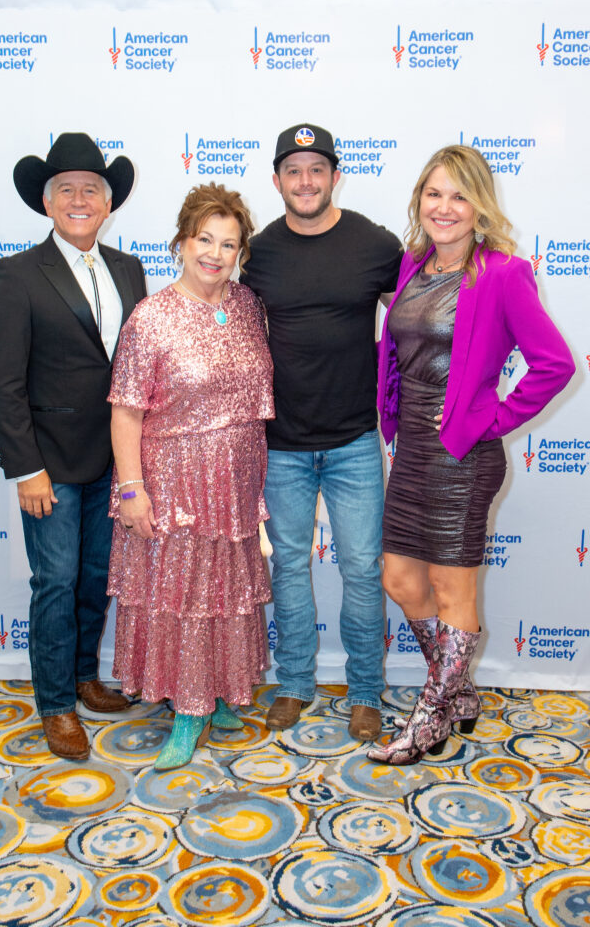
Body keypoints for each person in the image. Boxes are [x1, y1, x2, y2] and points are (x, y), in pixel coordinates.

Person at [368, 144, 575, 765]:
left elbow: (555, 364)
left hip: (463, 455)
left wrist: (493, 419)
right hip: (411, 451)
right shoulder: (413, 267)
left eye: (459, 195)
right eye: (434, 193)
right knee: (399, 579)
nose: (445, 207)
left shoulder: (502, 274)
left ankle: (431, 715)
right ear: (419, 201)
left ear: (479, 204)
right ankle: (454, 688)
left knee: (453, 590)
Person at [0, 132, 147, 761]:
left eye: (92, 190)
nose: (80, 199)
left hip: (117, 461)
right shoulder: (17, 274)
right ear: (48, 204)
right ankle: (54, 704)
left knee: (95, 577)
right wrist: (26, 468)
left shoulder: (130, 269)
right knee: (54, 581)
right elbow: (2, 381)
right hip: (49, 464)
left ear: (108, 204)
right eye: (67, 190)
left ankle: (83, 678)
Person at [240, 123, 403, 741]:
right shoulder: (258, 252)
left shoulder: (375, 244)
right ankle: (295, 684)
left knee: (362, 567)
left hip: (355, 440)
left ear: (336, 176)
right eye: (293, 170)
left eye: (317, 169)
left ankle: (364, 690)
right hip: (279, 442)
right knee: (287, 567)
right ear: (277, 180)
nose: (305, 181)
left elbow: (418, 315)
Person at [107, 182, 274, 770]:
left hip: (237, 481)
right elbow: (126, 410)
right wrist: (132, 489)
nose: (216, 253)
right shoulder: (150, 318)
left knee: (224, 591)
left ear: (240, 254)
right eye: (205, 239)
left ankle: (221, 691)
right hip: (175, 482)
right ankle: (187, 709)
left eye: (229, 244)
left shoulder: (249, 306)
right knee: (182, 594)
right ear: (181, 242)